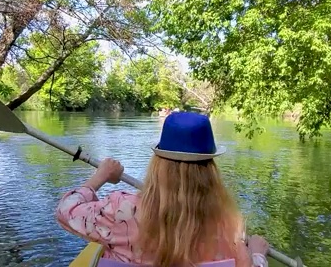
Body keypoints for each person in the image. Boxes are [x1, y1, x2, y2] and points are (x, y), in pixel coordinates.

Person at [56, 112, 270, 266]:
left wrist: (100, 176)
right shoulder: (230, 224)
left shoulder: (121, 210)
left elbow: (66, 210)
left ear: (158, 164)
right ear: (210, 169)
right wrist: (258, 255)